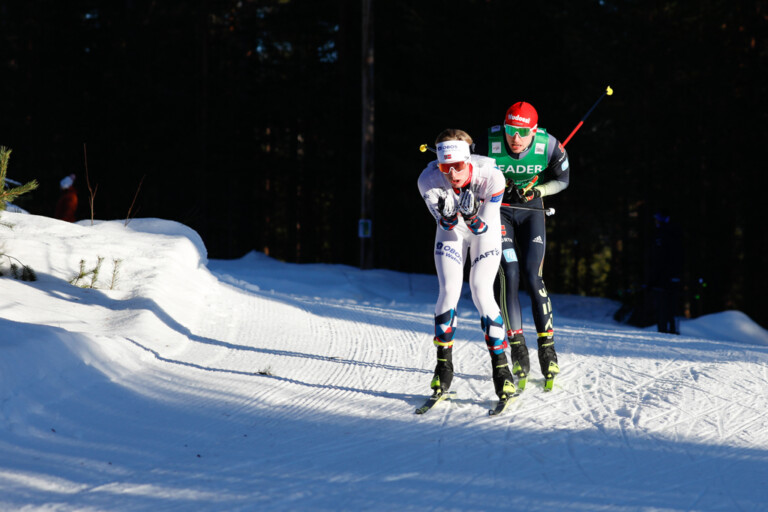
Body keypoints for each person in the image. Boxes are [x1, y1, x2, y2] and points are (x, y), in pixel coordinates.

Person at [475, 101, 570, 389]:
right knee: (510, 272)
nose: (515, 139)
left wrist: (538, 189)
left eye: (522, 132)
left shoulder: (549, 145)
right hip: (499, 211)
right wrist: (497, 185)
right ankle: (517, 345)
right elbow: (469, 177)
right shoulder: (489, 142)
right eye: (510, 131)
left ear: (533, 131)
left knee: (533, 274)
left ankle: (547, 347)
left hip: (531, 210)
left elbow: (563, 180)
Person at [417, 128, 515, 401]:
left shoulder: (491, 176)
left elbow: (483, 227)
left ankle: (501, 369)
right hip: (454, 230)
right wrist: (449, 217)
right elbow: (444, 223)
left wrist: (471, 215)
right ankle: (443, 366)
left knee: (480, 289)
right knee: (449, 290)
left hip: (485, 229)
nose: (451, 174)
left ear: (468, 160)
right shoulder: (428, 180)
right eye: (444, 166)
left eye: (458, 166)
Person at [649, 210, 683, 334]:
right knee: (667, 307)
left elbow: (660, 259)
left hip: (665, 280)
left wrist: (653, 279)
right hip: (667, 279)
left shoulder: (665, 236)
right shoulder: (663, 235)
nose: (655, 222)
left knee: (666, 307)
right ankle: (668, 330)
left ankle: (668, 331)